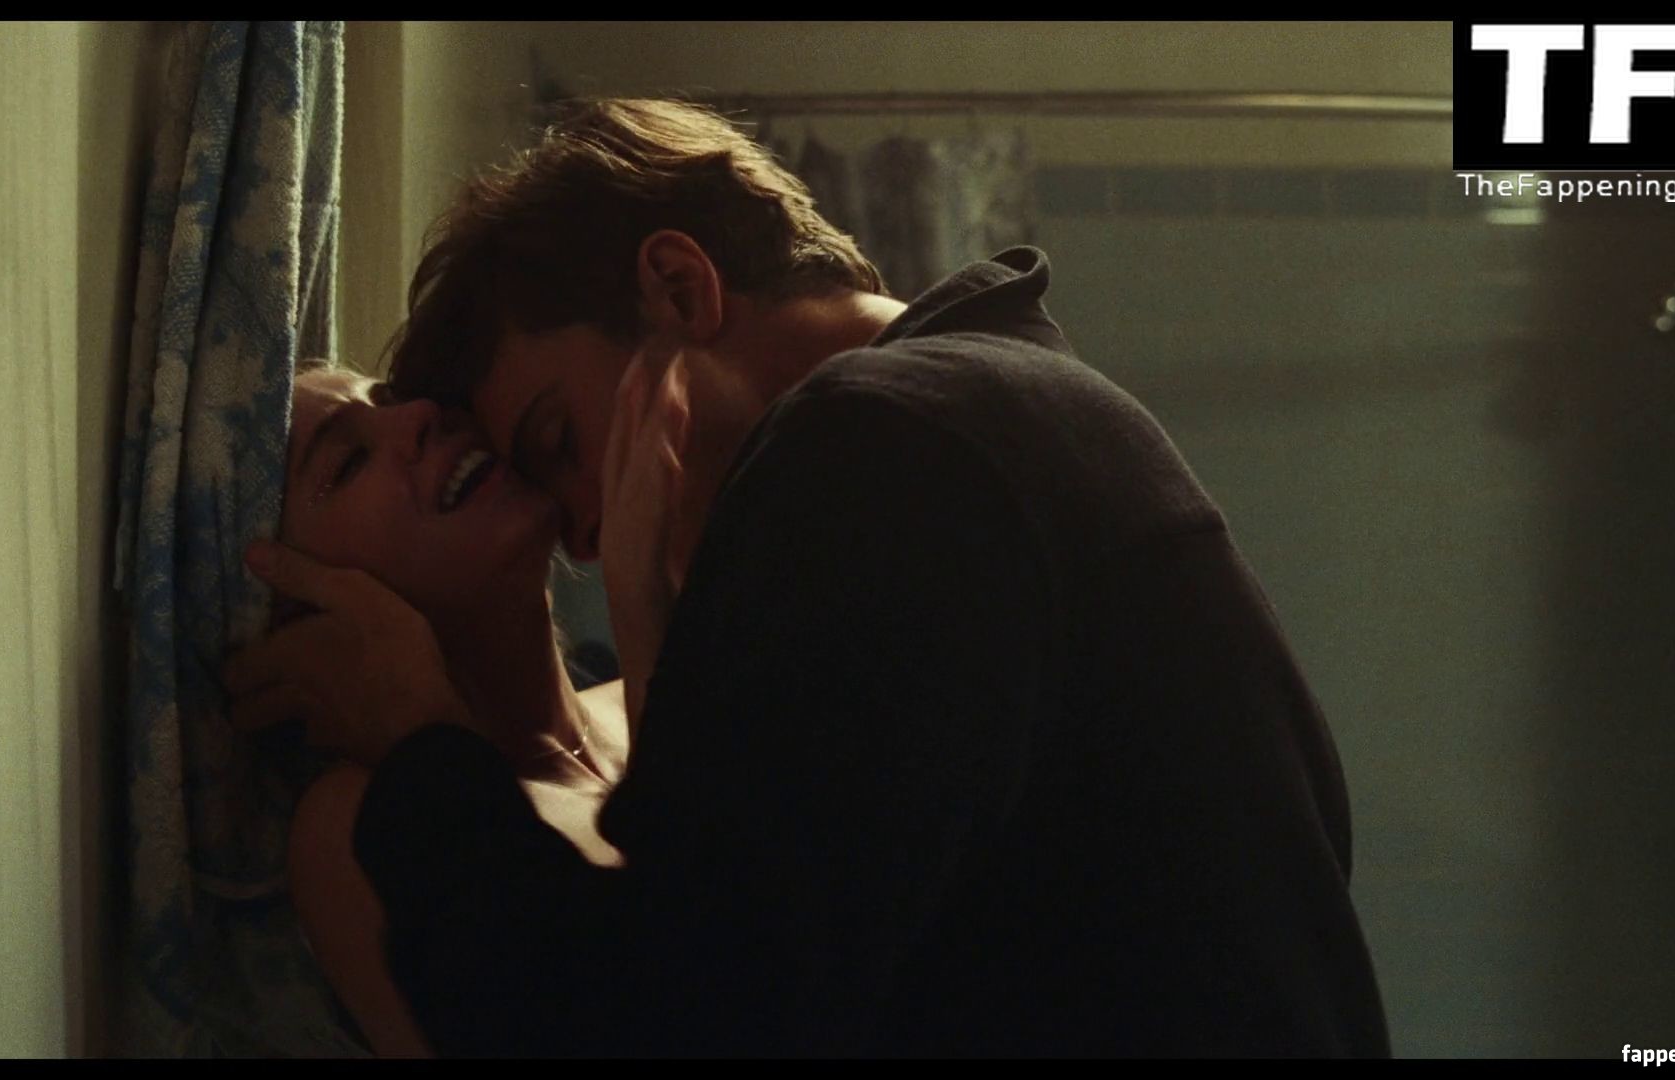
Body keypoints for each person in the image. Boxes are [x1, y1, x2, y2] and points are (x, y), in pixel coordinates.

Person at [229, 98, 1391, 1056]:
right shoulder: (1019, 412)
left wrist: (429, 746)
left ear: (678, 290)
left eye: (559, 441)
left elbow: (677, 1020)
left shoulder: (878, 452)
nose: (587, 525)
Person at [241, 362, 632, 1057]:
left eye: (391, 396)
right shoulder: (357, 826)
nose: (422, 411)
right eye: (348, 461)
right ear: (298, 617)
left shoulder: (658, 691)